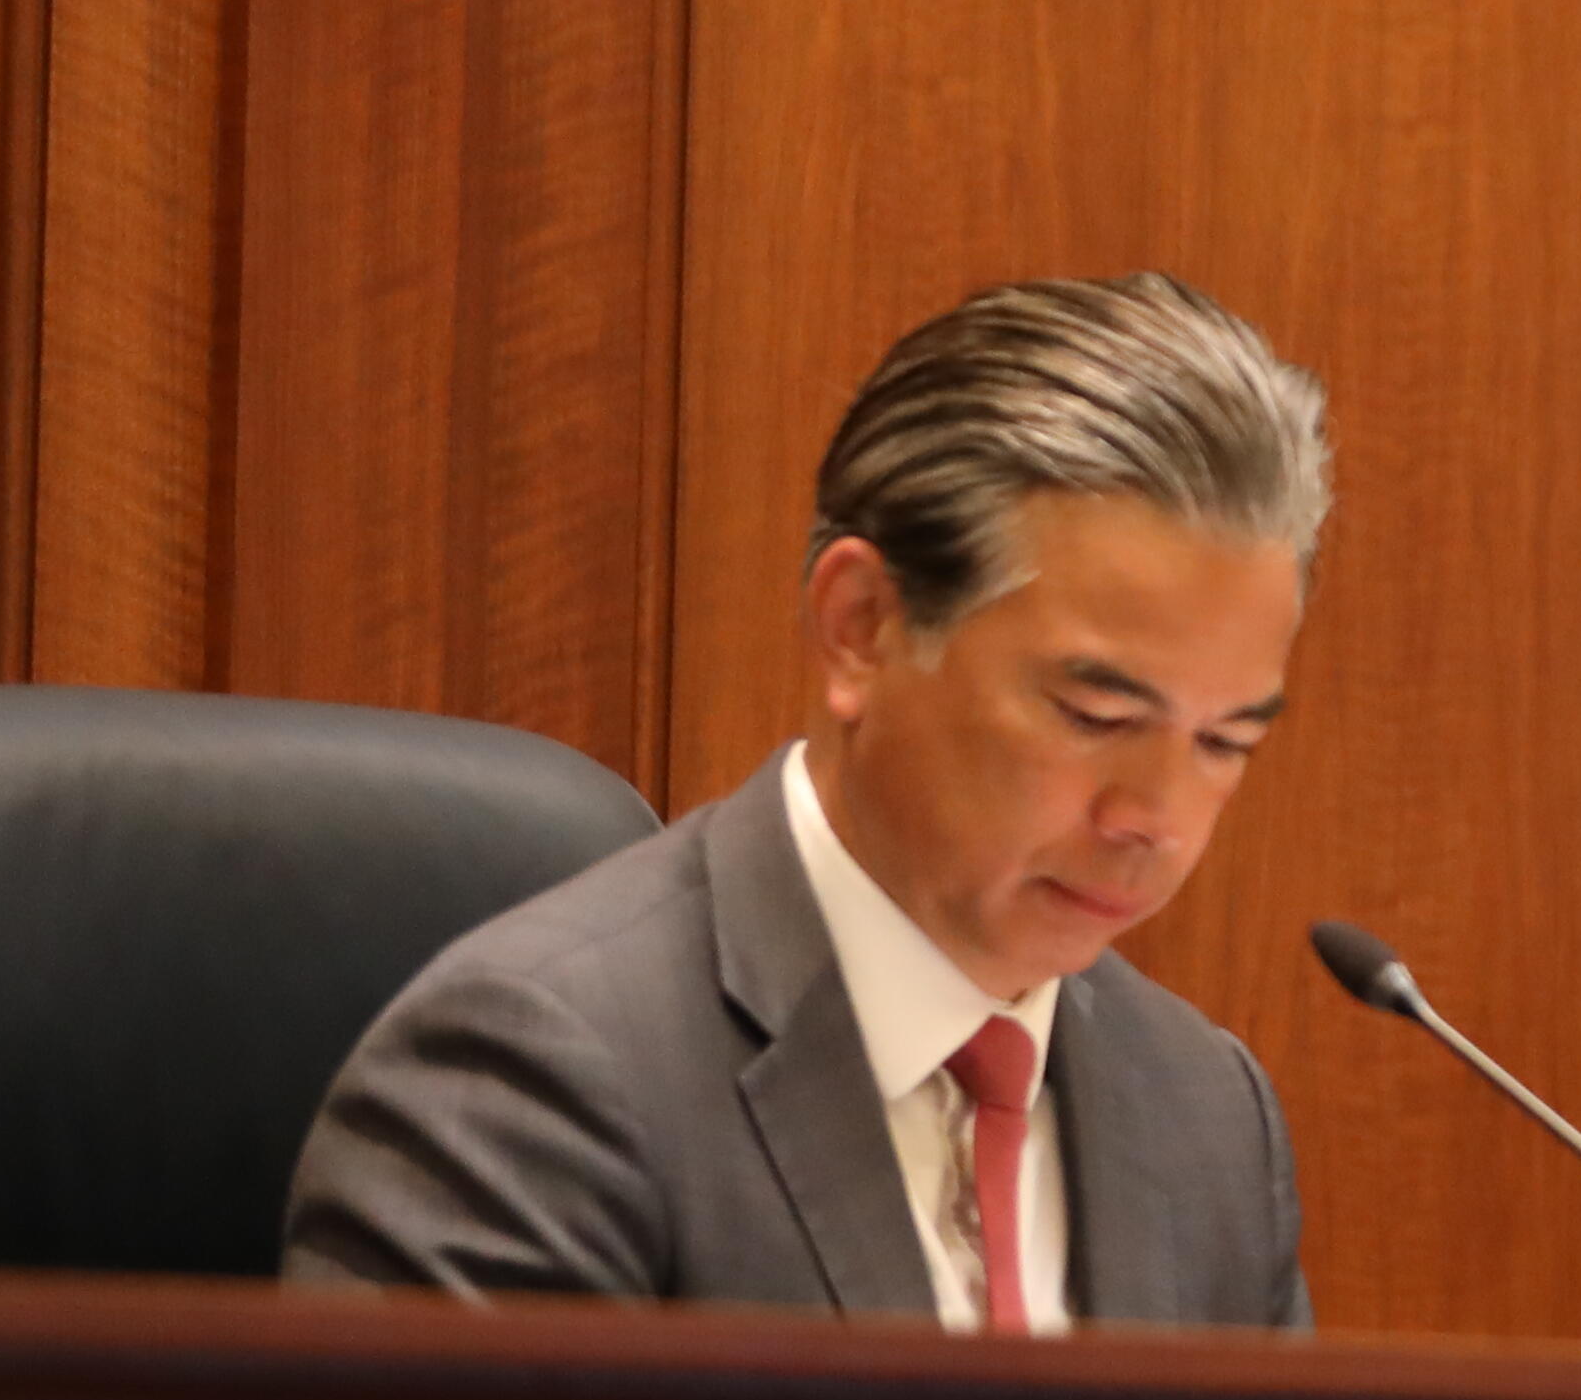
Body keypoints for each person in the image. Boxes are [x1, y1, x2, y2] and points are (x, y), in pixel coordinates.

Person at [285, 273, 1328, 1329]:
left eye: (1225, 742)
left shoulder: (1209, 1120)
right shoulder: (533, 1085)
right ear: (860, 626)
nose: (1157, 819)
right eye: (1095, 715)